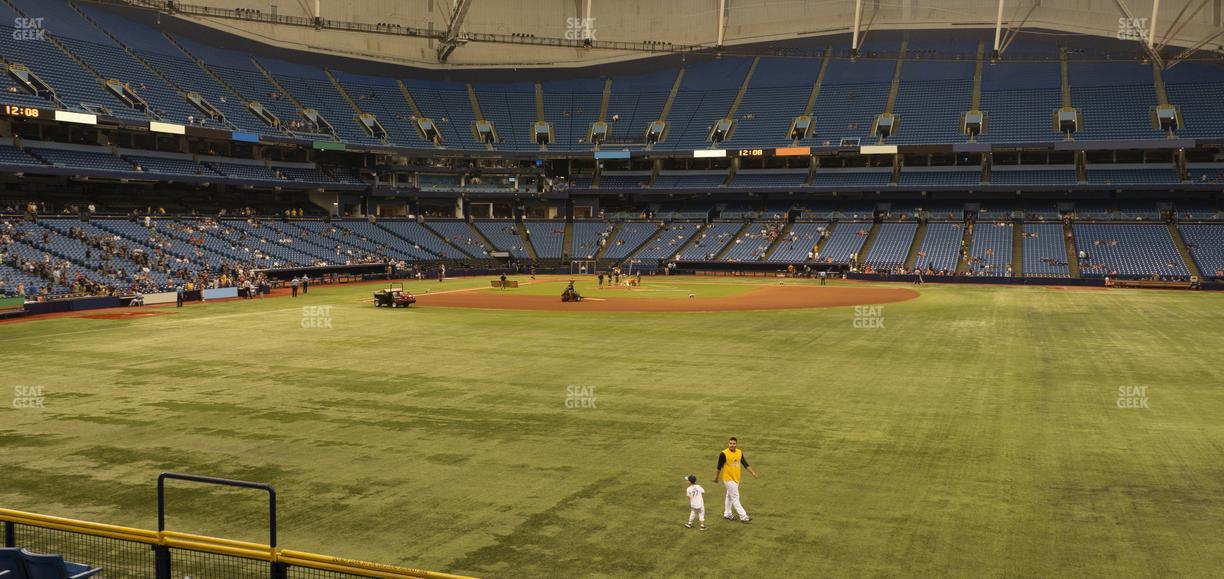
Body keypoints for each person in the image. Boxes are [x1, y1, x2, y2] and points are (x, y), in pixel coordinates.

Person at [714, 436, 758, 523]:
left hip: (736, 479)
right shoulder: (723, 453)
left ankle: (727, 513)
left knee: (729, 496)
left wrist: (752, 473)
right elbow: (718, 467)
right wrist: (716, 478)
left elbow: (745, 464)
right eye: (730, 443)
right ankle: (743, 516)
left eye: (734, 444)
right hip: (728, 479)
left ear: (736, 444)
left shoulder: (739, 452)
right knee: (735, 497)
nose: (732, 445)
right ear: (728, 443)